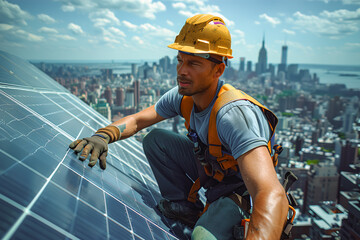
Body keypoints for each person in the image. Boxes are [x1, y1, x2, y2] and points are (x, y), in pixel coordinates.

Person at [69, 13, 289, 240]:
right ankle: (185, 209)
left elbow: (269, 192)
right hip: (214, 172)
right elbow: (138, 121)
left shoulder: (233, 115)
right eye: (180, 60)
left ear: (218, 71)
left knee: (202, 237)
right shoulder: (184, 96)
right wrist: (103, 136)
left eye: (194, 63)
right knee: (156, 140)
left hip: (242, 190)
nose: (182, 70)